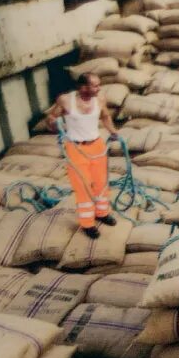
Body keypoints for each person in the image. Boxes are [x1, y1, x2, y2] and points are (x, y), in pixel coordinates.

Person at [47, 73, 119, 238]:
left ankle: (102, 213)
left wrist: (114, 132)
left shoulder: (100, 100)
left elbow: (106, 116)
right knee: (83, 186)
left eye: (99, 85)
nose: (99, 88)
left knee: (101, 183)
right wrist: (53, 122)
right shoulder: (65, 100)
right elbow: (51, 117)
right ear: (83, 87)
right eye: (95, 86)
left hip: (97, 146)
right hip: (75, 148)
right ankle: (87, 224)